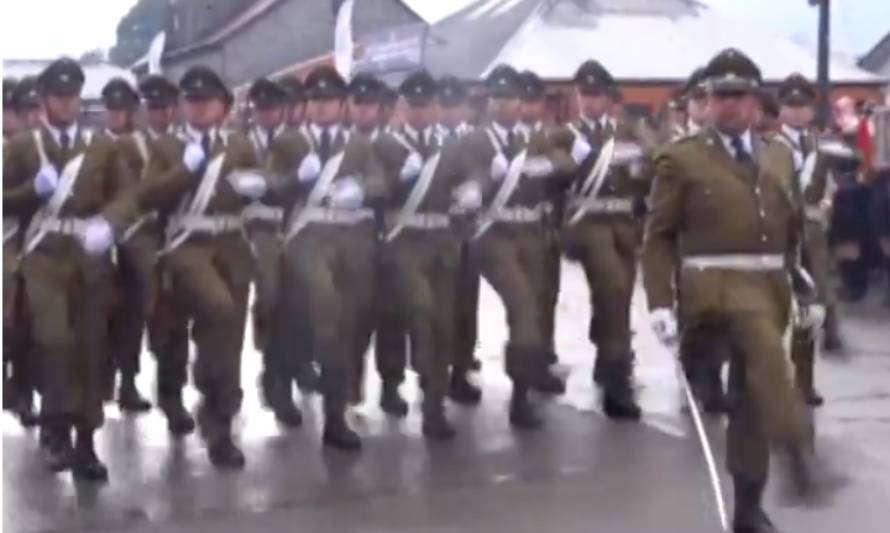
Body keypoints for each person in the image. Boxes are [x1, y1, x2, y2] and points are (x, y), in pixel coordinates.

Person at [644, 48, 831, 533]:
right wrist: (660, 302)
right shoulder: (681, 158)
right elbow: (659, 236)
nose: (729, 106)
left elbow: (793, 230)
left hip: (770, 288)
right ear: (704, 100)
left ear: (755, 101)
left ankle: (749, 504)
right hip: (713, 290)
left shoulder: (777, 155)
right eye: (719, 96)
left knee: (751, 397)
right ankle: (798, 453)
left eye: (739, 96)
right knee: (768, 356)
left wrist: (806, 288)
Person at [123, 65, 264, 468]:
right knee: (208, 314)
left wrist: (261, 185)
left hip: (232, 247)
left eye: (208, 102)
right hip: (186, 247)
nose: (199, 109)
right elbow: (147, 196)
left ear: (223, 107)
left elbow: (257, 190)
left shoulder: (239, 146)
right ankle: (180, 392)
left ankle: (219, 421)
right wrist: (186, 169)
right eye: (192, 102)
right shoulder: (168, 147)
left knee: (229, 335)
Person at [4, 57, 134, 482]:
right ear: (44, 101)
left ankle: (86, 443)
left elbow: (125, 196)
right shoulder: (23, 147)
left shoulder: (102, 146)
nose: (66, 104)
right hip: (43, 257)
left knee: (92, 349)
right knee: (54, 339)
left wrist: (109, 225)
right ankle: (55, 424)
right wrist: (29, 190)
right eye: (58, 97)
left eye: (72, 96)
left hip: (90, 257)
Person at [265, 65, 389, 451]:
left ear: (342, 105)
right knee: (325, 309)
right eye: (316, 101)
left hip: (350, 240)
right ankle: (283, 381)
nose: (322, 108)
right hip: (306, 239)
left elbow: (380, 181)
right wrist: (295, 179)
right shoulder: (288, 142)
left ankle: (335, 415)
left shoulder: (358, 145)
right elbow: (269, 189)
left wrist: (361, 190)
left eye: (330, 101)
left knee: (350, 322)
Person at [462, 65, 576, 428]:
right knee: (523, 305)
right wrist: (487, 177)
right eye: (497, 98)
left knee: (538, 306)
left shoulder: (535, 138)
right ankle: (520, 395)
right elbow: (464, 181)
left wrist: (544, 165)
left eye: (510, 98)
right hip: (495, 234)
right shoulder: (477, 141)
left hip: (531, 232)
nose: (504, 105)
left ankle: (531, 376)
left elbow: (565, 163)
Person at [560, 59, 649, 420]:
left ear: (610, 99)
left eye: (595, 95)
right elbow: (545, 169)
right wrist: (571, 161)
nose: (589, 102)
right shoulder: (567, 134)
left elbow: (653, 163)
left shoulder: (629, 132)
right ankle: (617, 380)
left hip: (624, 225)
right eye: (584, 94)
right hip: (589, 224)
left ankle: (606, 353)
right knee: (612, 289)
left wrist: (637, 162)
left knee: (618, 297)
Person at [777, 73, 846, 405]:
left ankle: (804, 381)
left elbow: (830, 184)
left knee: (811, 306)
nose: (797, 112)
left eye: (802, 106)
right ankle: (769, 378)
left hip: (813, 232)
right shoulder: (770, 144)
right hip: (779, 231)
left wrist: (826, 208)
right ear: (781, 109)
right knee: (774, 306)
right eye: (790, 105)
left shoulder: (821, 145)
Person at [242, 77, 304, 427]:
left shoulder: (295, 142)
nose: (266, 115)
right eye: (260, 109)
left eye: (271, 108)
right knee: (270, 293)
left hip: (291, 224)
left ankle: (284, 373)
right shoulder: (239, 143)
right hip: (254, 226)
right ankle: (272, 370)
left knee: (295, 301)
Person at [346, 72, 410, 413]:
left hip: (390, 239)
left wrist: (403, 176)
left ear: (381, 109)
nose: (364, 111)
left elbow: (406, 191)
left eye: (370, 105)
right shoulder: (340, 147)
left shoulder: (393, 146)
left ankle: (390, 385)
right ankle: (351, 382)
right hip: (351, 241)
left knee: (391, 316)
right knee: (354, 316)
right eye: (358, 104)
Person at [97, 77, 155, 413]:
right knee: (102, 315)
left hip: (138, 239)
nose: (116, 116)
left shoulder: (143, 146)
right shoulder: (94, 147)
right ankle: (103, 382)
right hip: (103, 240)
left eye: (122, 110)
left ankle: (129, 383)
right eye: (111, 109)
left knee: (134, 316)